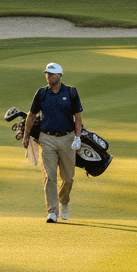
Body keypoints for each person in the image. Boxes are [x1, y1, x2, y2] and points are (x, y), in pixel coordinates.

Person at [23, 61, 83, 222]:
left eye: (52, 74)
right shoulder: (41, 93)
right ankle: (52, 212)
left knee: (68, 177)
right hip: (47, 139)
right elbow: (31, 115)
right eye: (47, 74)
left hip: (67, 138)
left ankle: (64, 202)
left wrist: (77, 136)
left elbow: (78, 117)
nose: (48, 76)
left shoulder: (71, 92)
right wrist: (26, 135)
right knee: (49, 177)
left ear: (60, 75)